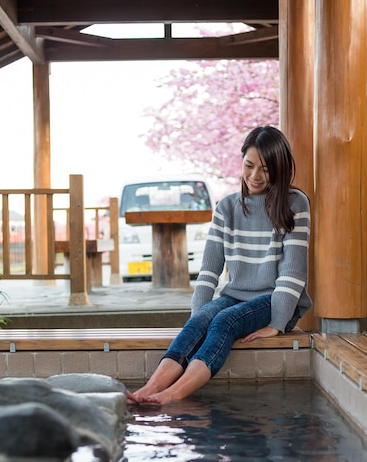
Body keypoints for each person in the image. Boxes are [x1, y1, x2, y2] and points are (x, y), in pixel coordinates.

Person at [128, 125, 312, 406]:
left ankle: (171, 395)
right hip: (235, 295)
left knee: (224, 321)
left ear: (280, 168)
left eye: (265, 169)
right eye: (249, 165)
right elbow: (209, 270)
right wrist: (196, 317)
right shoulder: (227, 207)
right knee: (205, 317)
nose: (255, 176)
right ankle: (149, 388)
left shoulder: (295, 203)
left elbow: (292, 272)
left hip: (274, 300)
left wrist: (278, 322)